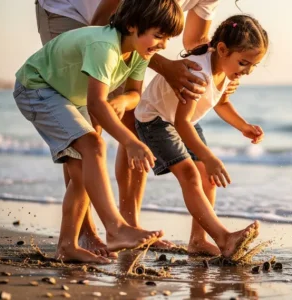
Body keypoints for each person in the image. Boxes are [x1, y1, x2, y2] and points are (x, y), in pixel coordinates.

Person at [35, 0, 241, 255]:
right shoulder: (117, 33)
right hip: (72, 12)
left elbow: (196, 39)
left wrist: (219, 70)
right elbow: (103, 25)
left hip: (131, 32)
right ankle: (85, 232)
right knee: (88, 128)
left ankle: (129, 226)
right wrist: (164, 66)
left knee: (133, 118)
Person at [13, 0, 186, 263]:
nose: (162, 45)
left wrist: (122, 101)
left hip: (67, 96)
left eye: (168, 38)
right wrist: (130, 142)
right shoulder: (104, 46)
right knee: (93, 146)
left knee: (84, 170)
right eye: (159, 36)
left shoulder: (140, 52)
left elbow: (134, 95)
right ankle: (115, 228)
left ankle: (67, 245)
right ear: (131, 25)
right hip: (36, 87)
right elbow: (96, 103)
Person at [134, 14, 269, 258]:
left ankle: (198, 240)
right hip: (155, 120)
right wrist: (208, 157)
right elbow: (180, 123)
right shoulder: (199, 72)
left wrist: (243, 126)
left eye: (252, 66)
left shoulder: (225, 71)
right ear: (222, 49)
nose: (247, 71)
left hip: (183, 120)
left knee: (208, 178)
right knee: (190, 174)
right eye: (243, 63)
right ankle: (224, 238)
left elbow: (222, 103)